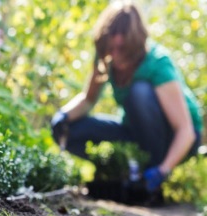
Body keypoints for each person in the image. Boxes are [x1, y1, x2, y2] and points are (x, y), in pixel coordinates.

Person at [51, 1, 203, 193]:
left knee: (139, 92)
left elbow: (186, 131)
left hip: (176, 139)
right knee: (71, 130)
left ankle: (149, 178)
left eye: (121, 48)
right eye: (111, 48)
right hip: (136, 134)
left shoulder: (157, 63)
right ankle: (125, 175)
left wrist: (162, 171)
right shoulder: (107, 57)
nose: (115, 54)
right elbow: (88, 100)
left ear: (134, 44)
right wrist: (63, 116)